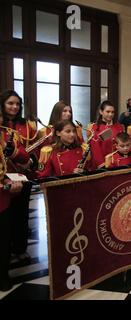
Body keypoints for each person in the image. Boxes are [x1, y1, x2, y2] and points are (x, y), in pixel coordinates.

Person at [0, 90, 36, 262]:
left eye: (17, 104)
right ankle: (5, 252)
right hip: (2, 176)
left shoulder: (26, 126)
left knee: (22, 213)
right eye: (10, 103)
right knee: (6, 215)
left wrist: (28, 162)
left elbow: (34, 151)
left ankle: (20, 248)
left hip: (23, 174)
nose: (14, 107)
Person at [0, 110, 24, 291]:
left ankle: (2, 274)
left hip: (2, 199)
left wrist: (8, 181)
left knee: (3, 239)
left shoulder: (6, 135)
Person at [87, 100, 124, 168]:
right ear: (101, 112)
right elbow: (95, 150)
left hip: (117, 163)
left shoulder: (119, 127)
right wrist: (102, 166)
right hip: (103, 165)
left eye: (112, 112)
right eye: (108, 111)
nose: (110, 114)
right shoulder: (94, 128)